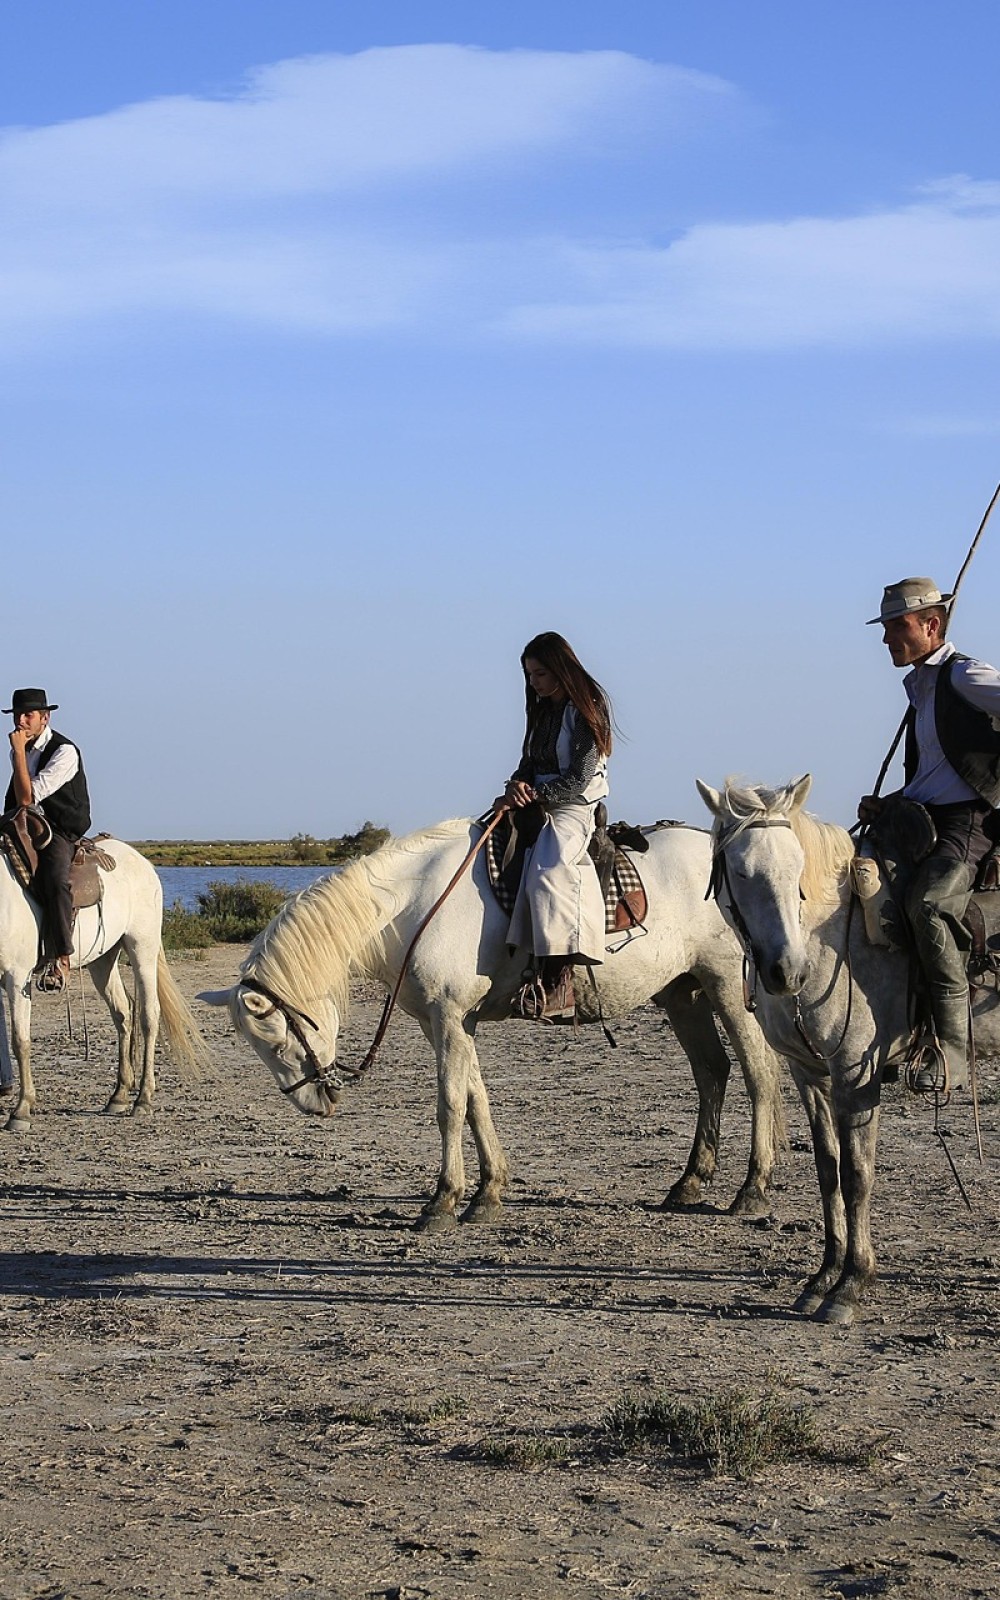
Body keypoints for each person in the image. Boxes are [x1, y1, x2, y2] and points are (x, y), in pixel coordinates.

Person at [858, 578, 1000, 1091]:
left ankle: (954, 1050)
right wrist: (892, 800)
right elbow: (934, 772)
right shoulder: (920, 686)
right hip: (918, 818)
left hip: (968, 824)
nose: (886, 638)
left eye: (897, 626)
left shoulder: (964, 675)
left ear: (931, 624)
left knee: (929, 906)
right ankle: (894, 1030)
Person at [499, 633, 613, 1020]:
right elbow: (528, 763)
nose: (533, 682)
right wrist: (516, 786)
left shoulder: (585, 710)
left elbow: (578, 778)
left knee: (550, 870)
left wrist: (535, 794)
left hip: (574, 806)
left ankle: (559, 980)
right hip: (538, 800)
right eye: (529, 675)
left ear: (562, 670)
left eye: (540, 673)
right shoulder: (542, 711)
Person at [4, 688, 91, 993]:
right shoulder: (22, 749)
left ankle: (61, 957)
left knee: (55, 878)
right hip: (29, 822)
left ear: (45, 718)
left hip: (61, 828)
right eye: (17, 715)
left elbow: (28, 797)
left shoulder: (64, 751)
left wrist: (18, 753)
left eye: (28, 715)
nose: (20, 721)